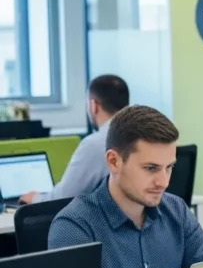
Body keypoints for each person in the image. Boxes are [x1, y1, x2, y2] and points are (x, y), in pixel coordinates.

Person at [47, 105, 203, 268]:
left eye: (169, 167)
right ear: (114, 162)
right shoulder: (75, 228)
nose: (164, 182)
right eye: (151, 168)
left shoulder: (176, 210)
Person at [20, 75, 130, 204]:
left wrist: (34, 198)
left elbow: (64, 197)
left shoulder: (95, 144)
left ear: (94, 105)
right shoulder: (142, 135)